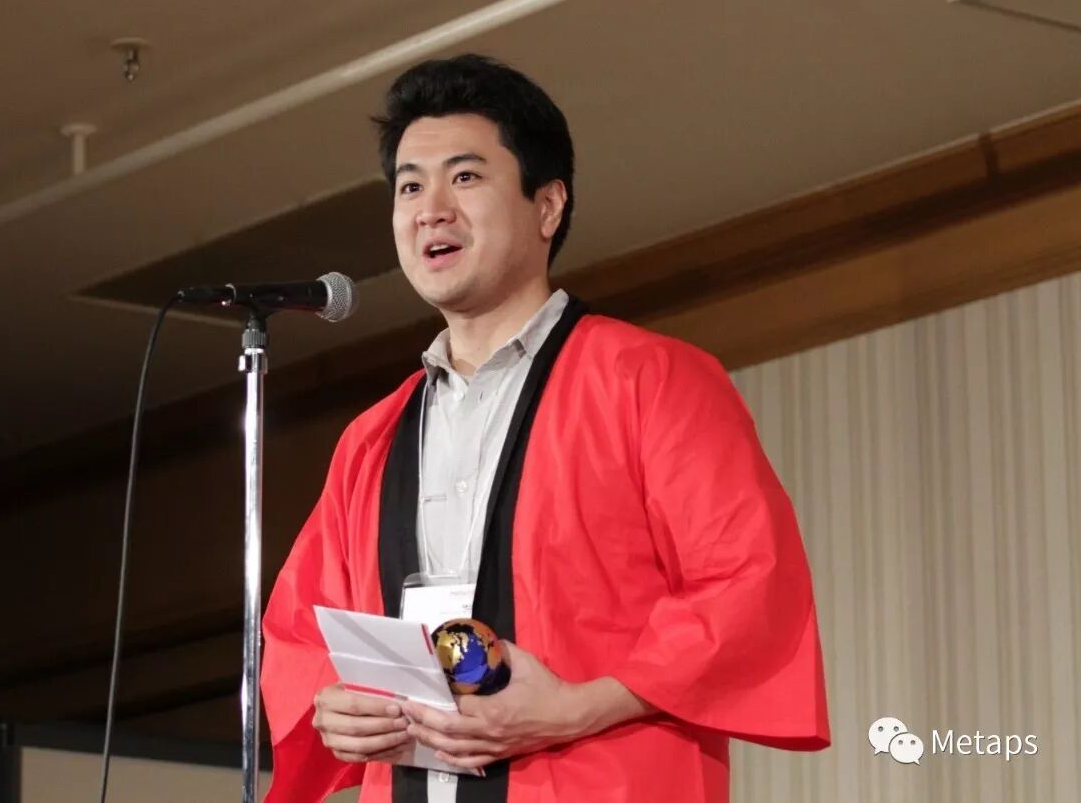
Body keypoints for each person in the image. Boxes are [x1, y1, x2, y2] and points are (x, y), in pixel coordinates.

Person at [260, 54, 830, 803]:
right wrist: (332, 704)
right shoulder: (374, 437)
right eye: (409, 186)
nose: (431, 209)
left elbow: (746, 585)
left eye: (465, 177)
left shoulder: (649, 380)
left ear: (548, 206)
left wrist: (575, 707)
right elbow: (302, 630)